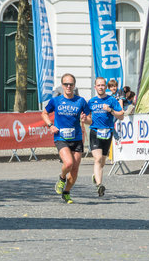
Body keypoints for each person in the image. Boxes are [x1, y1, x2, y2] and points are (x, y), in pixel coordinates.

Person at [41, 73, 90, 204]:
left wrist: (86, 119)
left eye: (71, 84)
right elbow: (44, 113)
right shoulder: (56, 100)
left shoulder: (81, 101)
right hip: (61, 137)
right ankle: (62, 178)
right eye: (66, 84)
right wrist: (51, 125)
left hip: (77, 138)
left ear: (74, 86)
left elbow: (90, 119)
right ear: (62, 85)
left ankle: (67, 192)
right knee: (68, 163)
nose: (68, 86)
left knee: (75, 169)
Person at [85, 77, 124, 197]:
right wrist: (84, 119)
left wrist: (110, 110)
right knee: (97, 159)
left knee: (102, 161)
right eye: (98, 85)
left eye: (103, 85)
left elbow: (121, 115)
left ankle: (96, 176)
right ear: (95, 87)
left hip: (107, 132)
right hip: (95, 132)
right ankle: (99, 185)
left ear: (105, 87)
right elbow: (88, 120)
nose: (101, 87)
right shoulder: (91, 102)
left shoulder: (111, 100)